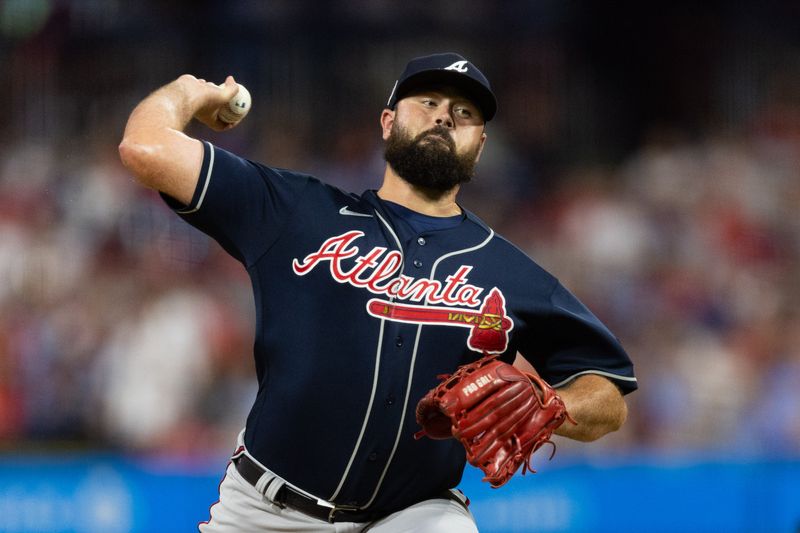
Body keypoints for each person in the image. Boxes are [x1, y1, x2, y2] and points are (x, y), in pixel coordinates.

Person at [119, 52, 637, 532]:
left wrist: (553, 403)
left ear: (480, 145)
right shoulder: (297, 213)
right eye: (428, 103)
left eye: (463, 113)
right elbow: (145, 148)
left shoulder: (512, 273)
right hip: (265, 510)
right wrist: (188, 92)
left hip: (413, 515)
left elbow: (608, 395)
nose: (443, 117)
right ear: (388, 122)